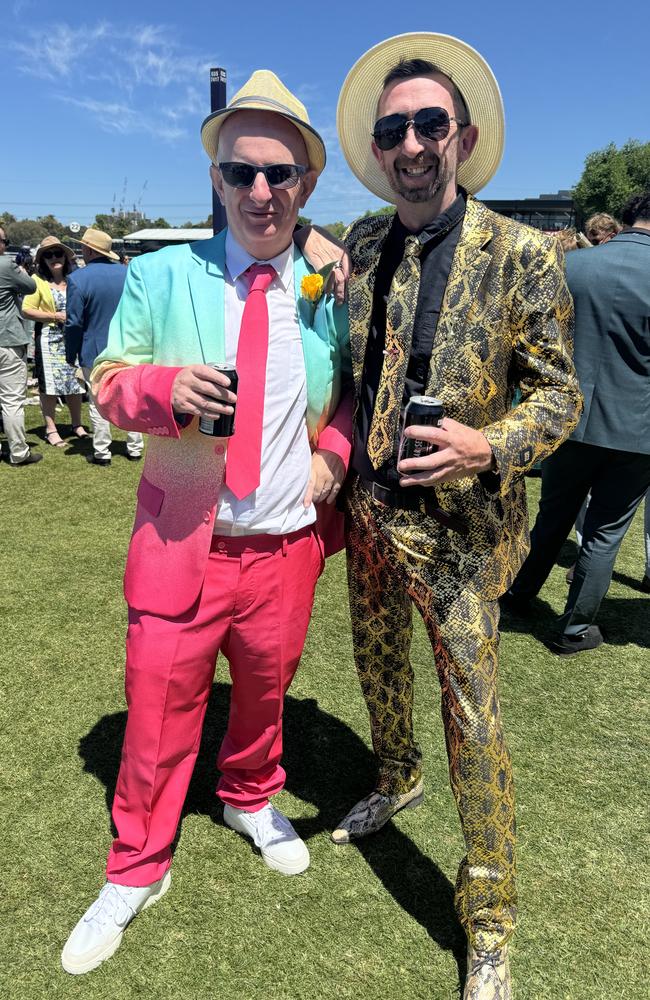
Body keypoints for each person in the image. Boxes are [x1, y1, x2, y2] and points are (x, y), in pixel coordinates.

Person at [61, 70, 352, 976]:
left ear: (304, 184)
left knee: (265, 694)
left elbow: (353, 397)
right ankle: (136, 866)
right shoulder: (158, 275)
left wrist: (333, 458)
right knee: (154, 715)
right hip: (184, 541)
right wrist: (162, 391)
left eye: (279, 174)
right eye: (240, 172)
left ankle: (250, 794)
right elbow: (107, 383)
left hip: (284, 546)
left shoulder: (326, 285)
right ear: (218, 180)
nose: (259, 191)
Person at [331, 33, 581, 999]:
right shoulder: (359, 242)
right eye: (393, 128)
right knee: (375, 661)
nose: (410, 142)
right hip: (369, 513)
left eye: (429, 123)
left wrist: (488, 445)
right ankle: (395, 775)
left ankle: (488, 922)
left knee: (473, 716)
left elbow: (561, 398)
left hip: (465, 537)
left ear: (462, 137)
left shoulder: (523, 254)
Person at [503, 190, 650, 652]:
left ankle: (519, 594)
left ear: (628, 217)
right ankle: (574, 627)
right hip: (637, 431)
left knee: (552, 518)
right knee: (605, 533)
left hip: (569, 419)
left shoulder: (575, 267)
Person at [64, 228, 143, 465]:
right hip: (129, 346)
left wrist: (71, 353)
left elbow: (74, 323)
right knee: (131, 397)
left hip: (94, 349)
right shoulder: (127, 273)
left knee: (98, 402)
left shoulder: (78, 279)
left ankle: (102, 451)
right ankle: (135, 447)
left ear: (88, 249)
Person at [21, 236, 87, 447]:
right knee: (48, 386)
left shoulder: (75, 279)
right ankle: (51, 429)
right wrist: (55, 316)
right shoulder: (38, 281)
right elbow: (26, 309)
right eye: (48, 255)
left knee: (75, 383)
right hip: (49, 340)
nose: (53, 258)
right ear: (42, 260)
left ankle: (77, 424)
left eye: (57, 253)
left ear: (65, 257)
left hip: (74, 339)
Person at [0, 224, 40, 466]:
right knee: (12, 400)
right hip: (7, 339)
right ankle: (18, 451)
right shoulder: (6, 264)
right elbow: (31, 286)